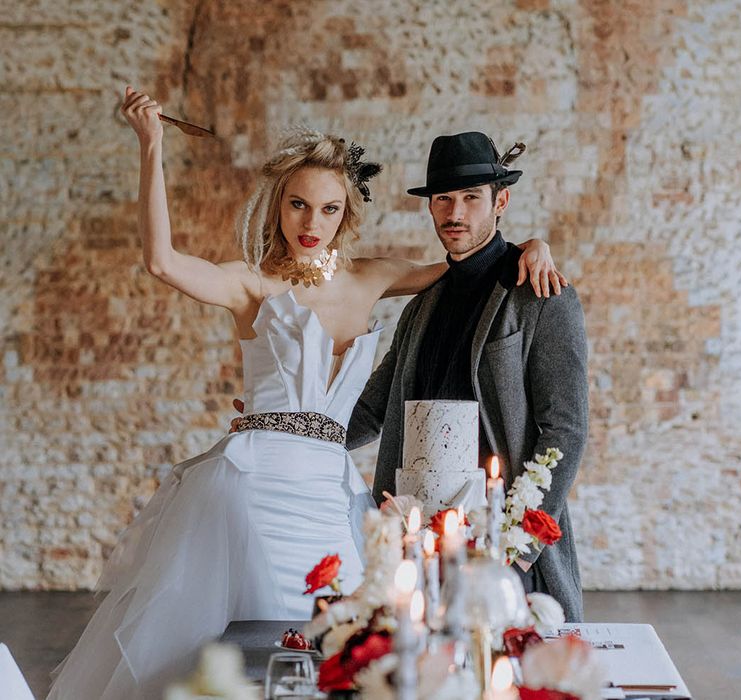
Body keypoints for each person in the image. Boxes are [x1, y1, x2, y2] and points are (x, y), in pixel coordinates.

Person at [47, 90, 564, 700]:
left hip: (332, 496)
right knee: (253, 647)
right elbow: (161, 262)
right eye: (297, 205)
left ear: (344, 214)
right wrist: (151, 144)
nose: (310, 223)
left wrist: (534, 245)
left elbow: (471, 258)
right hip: (253, 492)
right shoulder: (252, 284)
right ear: (279, 207)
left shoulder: (374, 276)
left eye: (326, 208)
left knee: (339, 644)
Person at [346, 131, 590, 622]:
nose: (455, 213)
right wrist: (288, 432)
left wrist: (519, 544)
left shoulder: (542, 296)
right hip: (416, 543)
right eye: (444, 199)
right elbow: (373, 409)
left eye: (471, 198)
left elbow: (566, 429)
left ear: (500, 201)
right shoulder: (420, 307)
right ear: (431, 207)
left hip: (503, 546)